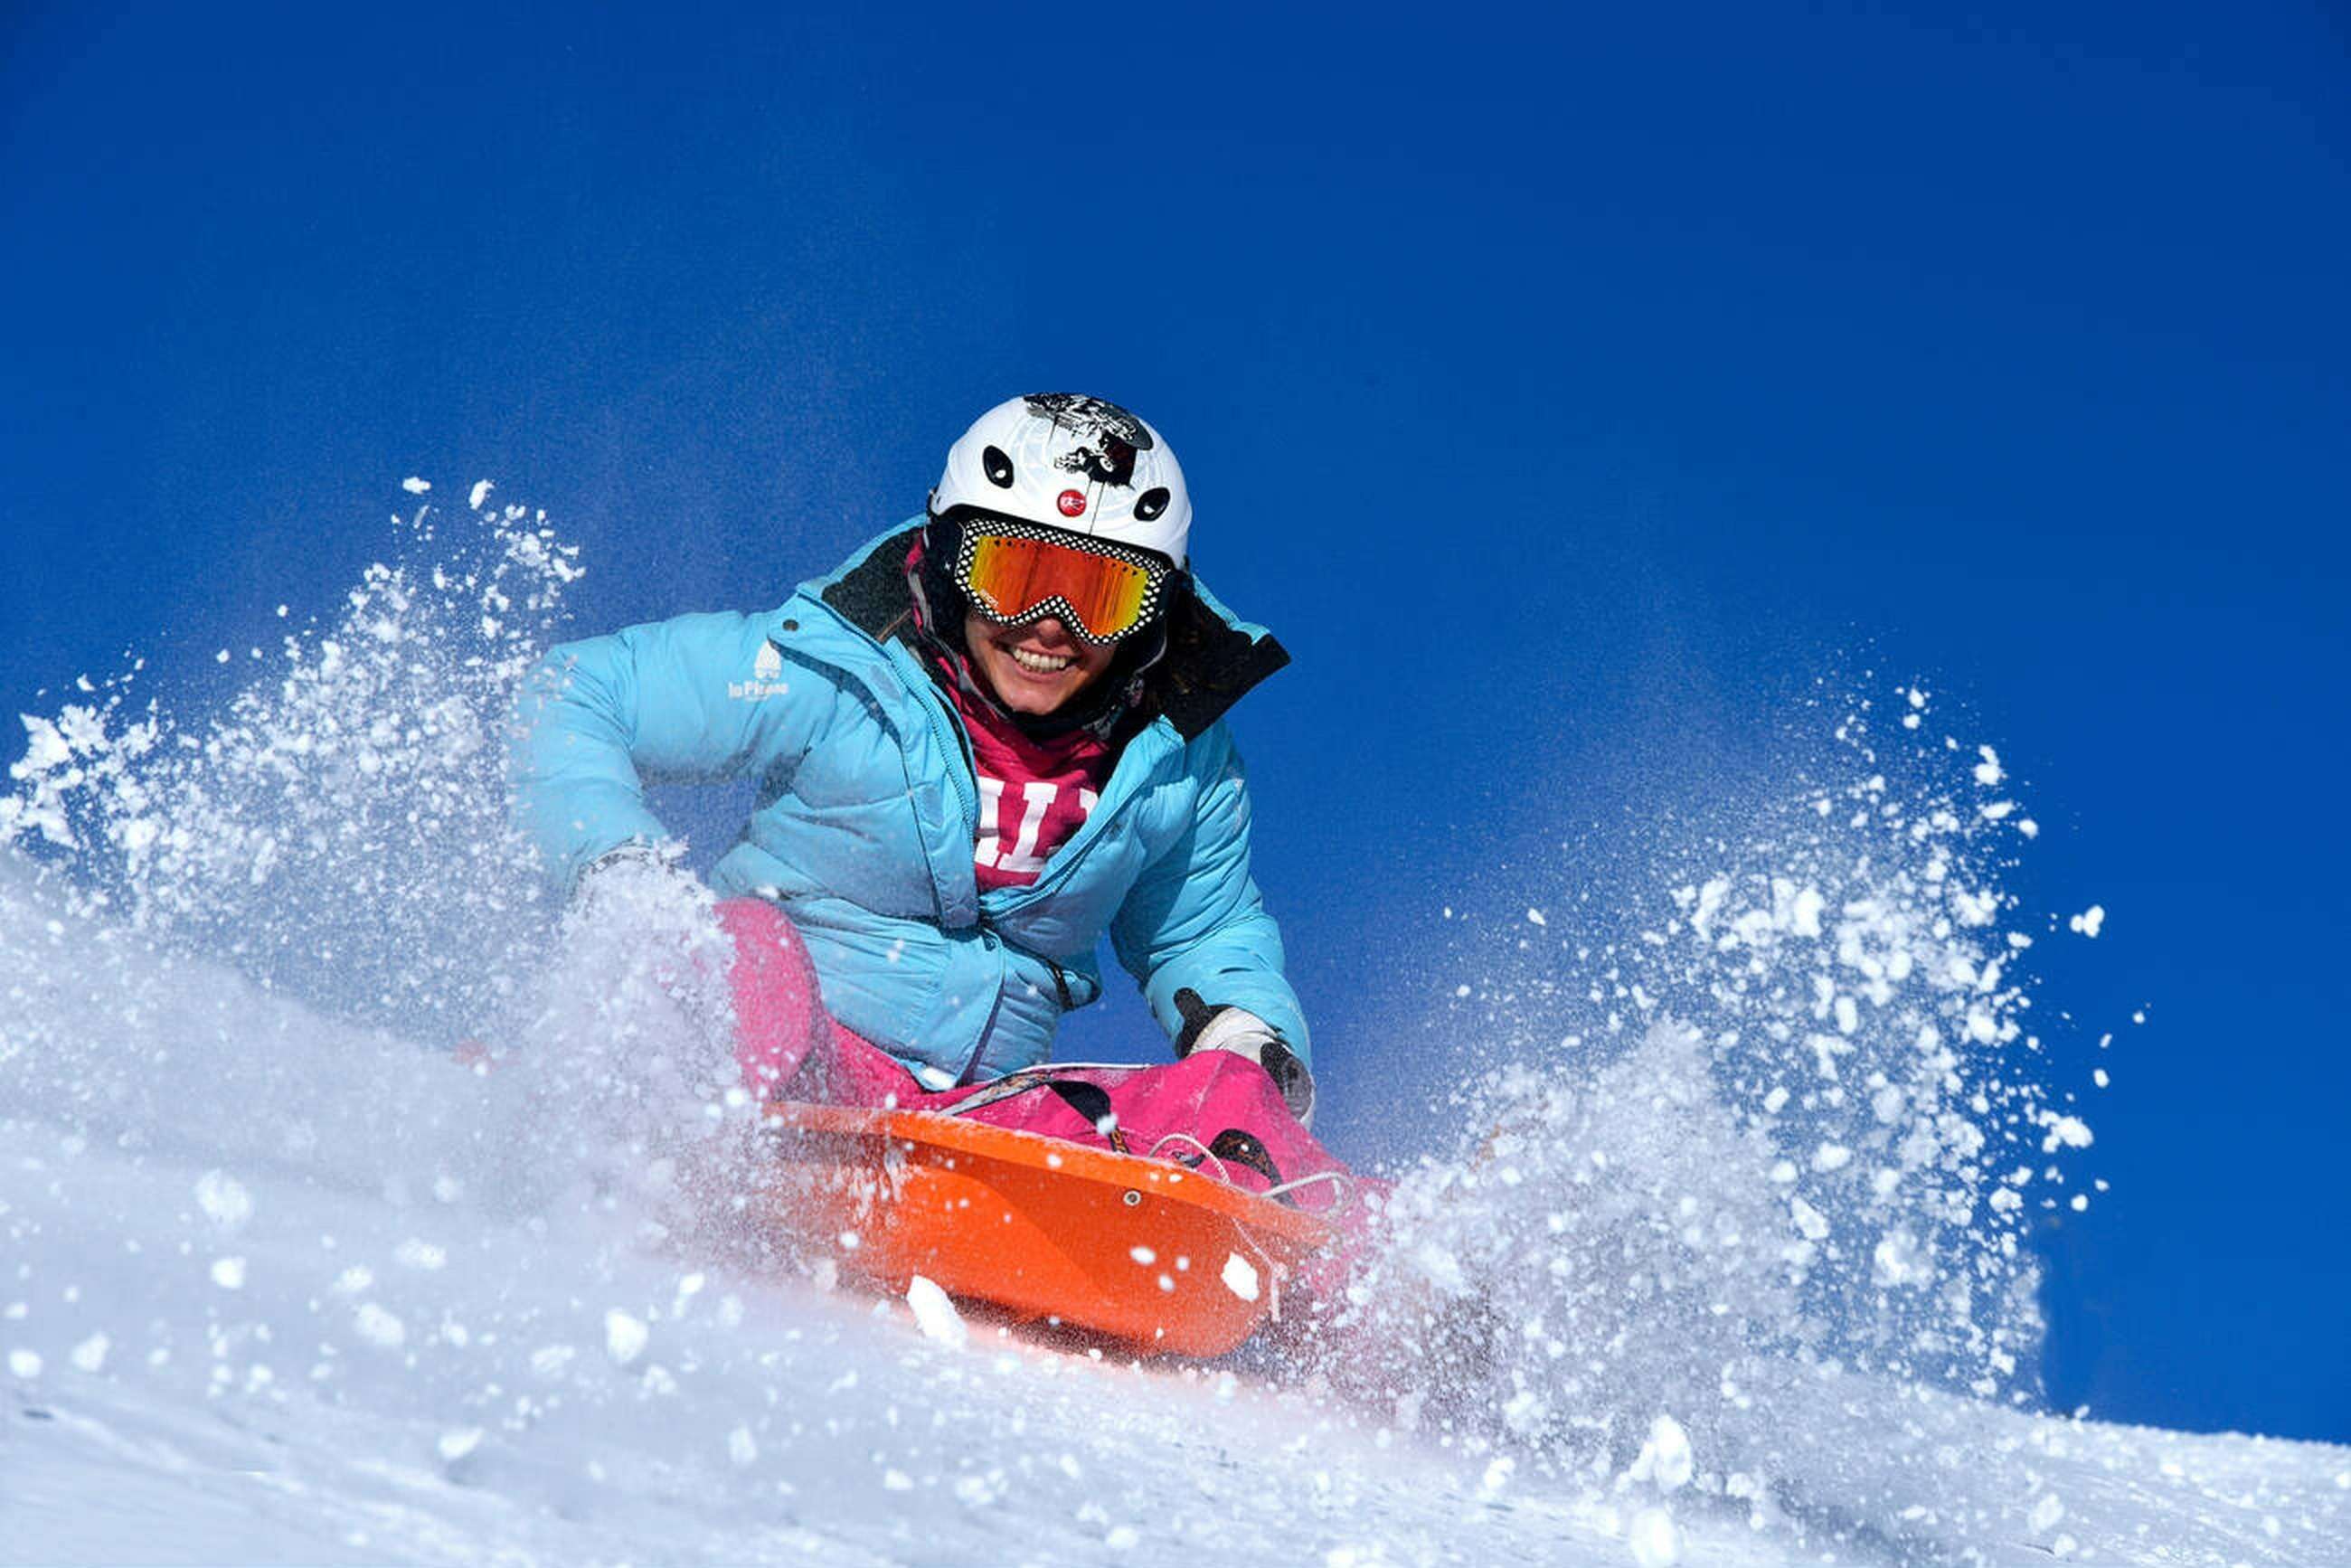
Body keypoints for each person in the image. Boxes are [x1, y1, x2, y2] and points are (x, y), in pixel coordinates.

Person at [510, 394, 1350, 1207]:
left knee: (1225, 1110)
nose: (1050, 626)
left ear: (1150, 618)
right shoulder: (833, 672)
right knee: (745, 954)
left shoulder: (1176, 764)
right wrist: (619, 878)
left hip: (988, 1127)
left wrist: (1247, 1042)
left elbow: (1202, 932)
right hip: (792, 1061)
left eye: (1099, 596)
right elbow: (579, 693)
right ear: (950, 565)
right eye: (1012, 575)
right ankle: (658, 1113)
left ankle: (1370, 1287)